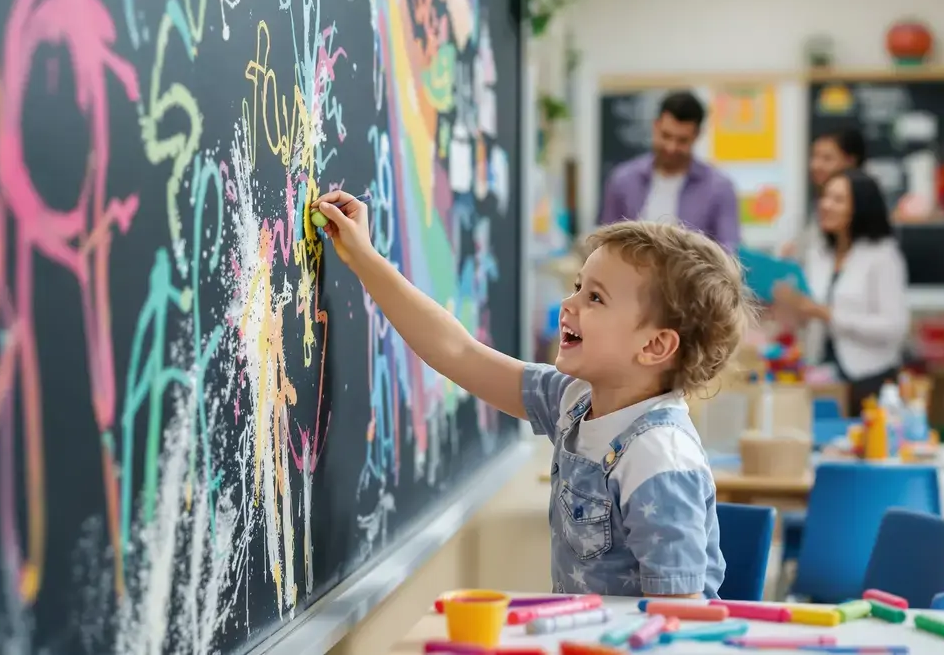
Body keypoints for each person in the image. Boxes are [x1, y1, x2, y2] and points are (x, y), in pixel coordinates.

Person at [311, 189, 756, 598]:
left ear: (655, 345)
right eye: (578, 286)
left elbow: (680, 615)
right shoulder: (575, 401)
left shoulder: (657, 455)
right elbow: (458, 352)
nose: (570, 303)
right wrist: (364, 258)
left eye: (595, 298)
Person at [772, 169, 908, 412]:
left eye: (838, 200)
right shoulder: (819, 254)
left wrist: (828, 314)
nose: (825, 205)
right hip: (821, 376)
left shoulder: (883, 256)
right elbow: (809, 315)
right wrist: (793, 304)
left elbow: (894, 327)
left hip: (869, 380)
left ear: (861, 207)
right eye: (825, 197)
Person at [598, 92, 740, 250]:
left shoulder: (719, 188)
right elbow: (606, 243)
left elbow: (729, 250)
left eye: (682, 140)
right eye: (666, 136)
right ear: (655, 126)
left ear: (697, 135)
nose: (671, 147)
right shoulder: (623, 181)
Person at [780, 128, 866, 259]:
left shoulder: (867, 208)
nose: (815, 165)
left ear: (851, 161)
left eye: (827, 158)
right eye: (814, 156)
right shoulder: (814, 202)